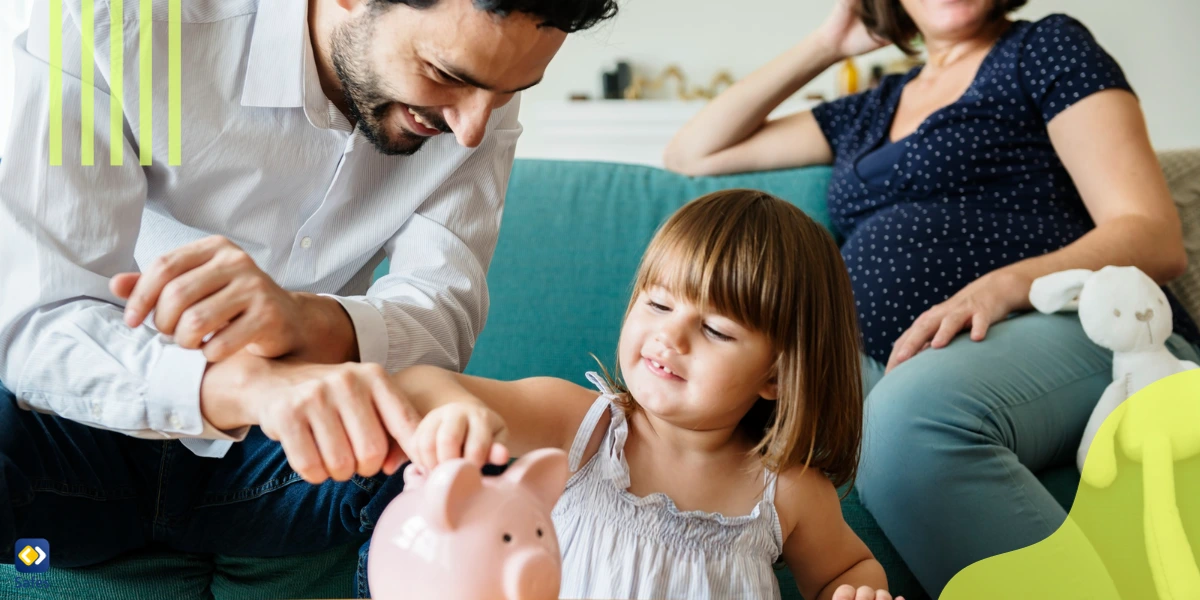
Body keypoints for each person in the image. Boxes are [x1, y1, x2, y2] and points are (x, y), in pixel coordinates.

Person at [0, 0, 615, 594]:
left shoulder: (478, 99)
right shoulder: (101, 18)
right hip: (84, 438)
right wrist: (251, 387)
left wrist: (307, 319)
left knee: (450, 458)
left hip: (289, 465)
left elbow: (442, 313)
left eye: (508, 94)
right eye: (445, 76)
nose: (472, 127)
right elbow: (39, 320)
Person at [663, 0, 1199, 595]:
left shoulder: (1045, 48)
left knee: (906, 424)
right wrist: (826, 43)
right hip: (895, 358)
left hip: (1074, 323)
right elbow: (692, 154)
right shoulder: (872, 108)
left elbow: (1153, 234)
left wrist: (1002, 286)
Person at [394, 190, 902, 600]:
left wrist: (858, 592)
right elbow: (417, 384)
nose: (670, 337)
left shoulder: (787, 491)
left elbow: (849, 568)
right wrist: (455, 410)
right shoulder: (580, 426)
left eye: (716, 331)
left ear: (777, 376)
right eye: (658, 303)